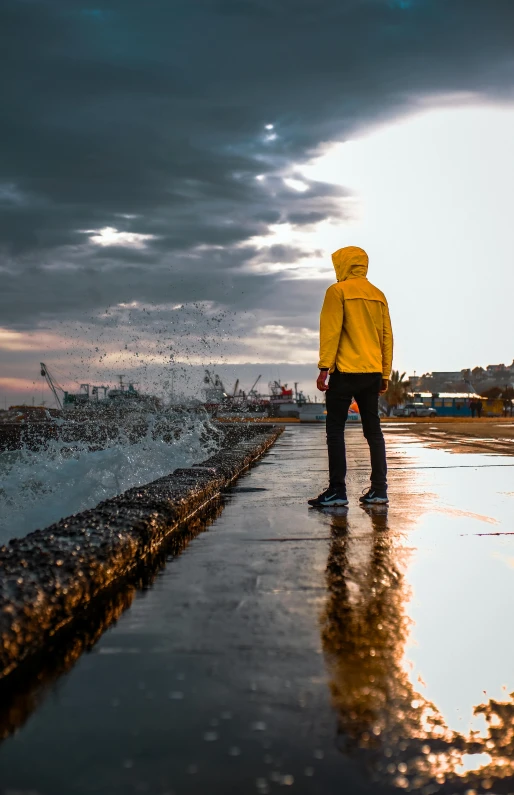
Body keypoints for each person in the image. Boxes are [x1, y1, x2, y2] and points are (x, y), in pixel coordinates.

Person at [308, 246, 393, 507]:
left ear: (343, 265)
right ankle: (379, 490)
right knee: (373, 432)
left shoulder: (338, 291)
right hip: (372, 373)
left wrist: (324, 368)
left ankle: (337, 491)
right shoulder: (378, 295)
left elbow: (331, 331)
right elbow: (386, 337)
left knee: (335, 429)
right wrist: (385, 373)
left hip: (345, 371)